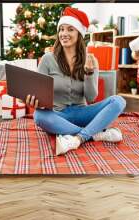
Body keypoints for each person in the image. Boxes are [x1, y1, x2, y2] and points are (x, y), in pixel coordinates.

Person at [25, 7, 126, 155]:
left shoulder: (91, 60)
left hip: (83, 113)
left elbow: (91, 98)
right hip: (57, 114)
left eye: (70, 29)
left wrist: (89, 73)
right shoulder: (47, 59)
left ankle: (78, 138)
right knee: (39, 116)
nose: (64, 34)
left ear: (79, 34)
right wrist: (33, 100)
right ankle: (94, 134)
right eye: (61, 29)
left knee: (118, 101)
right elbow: (39, 93)